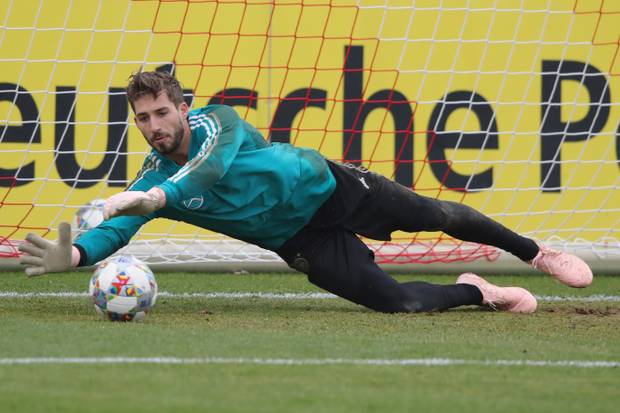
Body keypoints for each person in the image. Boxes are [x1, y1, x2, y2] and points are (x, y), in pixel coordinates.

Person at [18, 71, 593, 314]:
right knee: (397, 303)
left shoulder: (219, 122)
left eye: (162, 112)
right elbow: (118, 228)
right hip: (298, 239)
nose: (154, 125)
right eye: (143, 118)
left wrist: (150, 199)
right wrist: (77, 253)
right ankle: (480, 292)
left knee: (437, 213)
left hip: (331, 188)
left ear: (183, 108)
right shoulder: (150, 179)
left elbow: (206, 173)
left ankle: (535, 253)